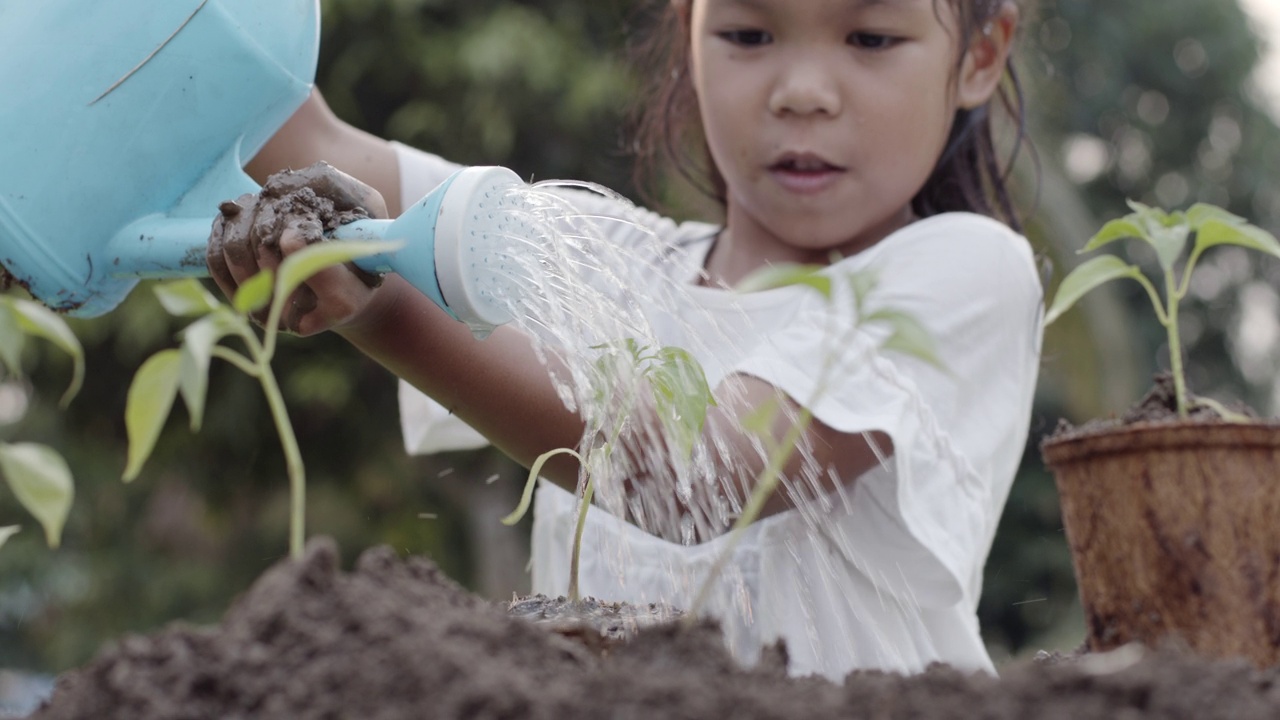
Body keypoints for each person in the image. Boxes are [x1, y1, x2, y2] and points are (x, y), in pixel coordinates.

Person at [207, 0, 1042, 680]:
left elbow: (690, 477)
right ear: (688, 32)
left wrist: (375, 305)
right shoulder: (598, 261)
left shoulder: (963, 272)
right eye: (749, 34)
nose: (803, 90)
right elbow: (306, 141)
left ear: (979, 55)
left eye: (870, 37)